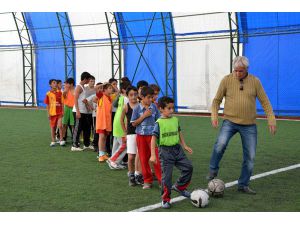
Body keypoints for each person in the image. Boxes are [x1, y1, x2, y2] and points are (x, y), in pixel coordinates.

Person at [207, 56, 277, 195]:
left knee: (250, 157)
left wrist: (271, 119)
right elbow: (216, 101)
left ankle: (243, 185)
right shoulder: (226, 80)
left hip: (249, 125)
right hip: (230, 121)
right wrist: (214, 116)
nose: (237, 73)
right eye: (235, 70)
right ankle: (212, 170)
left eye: (241, 71)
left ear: (247, 69)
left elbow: (265, 102)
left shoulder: (255, 81)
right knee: (220, 144)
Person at [150, 96, 193, 209]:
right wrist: (153, 155)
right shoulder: (158, 123)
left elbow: (179, 133)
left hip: (177, 149)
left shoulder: (175, 120)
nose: (171, 110)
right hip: (165, 152)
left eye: (172, 108)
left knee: (188, 167)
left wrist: (184, 145)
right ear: (161, 109)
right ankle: (165, 199)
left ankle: (180, 186)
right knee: (167, 177)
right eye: (169, 108)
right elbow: (153, 139)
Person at [131, 86, 162, 189]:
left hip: (153, 137)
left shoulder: (154, 107)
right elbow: (134, 124)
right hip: (141, 137)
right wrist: (144, 116)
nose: (150, 99)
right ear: (142, 97)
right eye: (148, 97)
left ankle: (162, 180)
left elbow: (159, 121)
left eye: (152, 97)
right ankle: (147, 181)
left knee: (157, 158)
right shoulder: (136, 108)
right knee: (144, 159)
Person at [120, 86, 143, 186]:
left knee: (141, 155)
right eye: (131, 95)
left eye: (135, 94)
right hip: (131, 134)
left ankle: (139, 175)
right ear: (127, 96)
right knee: (131, 157)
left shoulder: (141, 105)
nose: (133, 97)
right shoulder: (126, 106)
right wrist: (125, 132)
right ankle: (131, 175)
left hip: (141, 133)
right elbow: (121, 120)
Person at [106, 81, 131, 169]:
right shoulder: (127, 99)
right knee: (125, 145)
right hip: (122, 122)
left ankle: (114, 162)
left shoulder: (121, 97)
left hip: (117, 121)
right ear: (124, 90)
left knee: (116, 144)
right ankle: (113, 160)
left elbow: (114, 104)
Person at [71, 72, 92, 151]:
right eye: (89, 79)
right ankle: (74, 145)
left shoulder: (83, 87)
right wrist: (77, 111)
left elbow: (82, 99)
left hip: (84, 111)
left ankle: (86, 144)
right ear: (85, 79)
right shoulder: (78, 87)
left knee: (86, 128)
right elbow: (75, 99)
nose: (89, 81)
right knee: (78, 128)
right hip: (79, 111)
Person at [96, 82, 114, 162]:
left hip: (107, 121)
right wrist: (103, 84)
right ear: (104, 90)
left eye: (111, 88)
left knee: (105, 138)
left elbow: (117, 92)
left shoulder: (110, 97)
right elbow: (96, 88)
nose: (111, 89)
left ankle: (103, 154)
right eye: (109, 88)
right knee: (102, 137)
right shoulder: (101, 95)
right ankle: (100, 154)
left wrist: (112, 85)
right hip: (101, 121)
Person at [44, 79, 65, 147]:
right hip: (52, 113)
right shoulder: (48, 94)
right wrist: (48, 113)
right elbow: (47, 104)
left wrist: (63, 111)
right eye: (53, 83)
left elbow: (62, 103)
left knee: (60, 126)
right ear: (50, 85)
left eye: (56, 83)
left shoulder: (60, 92)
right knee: (53, 127)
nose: (55, 84)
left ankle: (61, 140)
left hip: (59, 113)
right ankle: (53, 141)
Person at [62, 78, 75, 143]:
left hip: (73, 109)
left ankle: (74, 138)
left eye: (67, 83)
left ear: (71, 84)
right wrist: (65, 92)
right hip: (66, 107)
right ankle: (64, 138)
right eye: (66, 83)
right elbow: (64, 97)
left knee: (73, 125)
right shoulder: (65, 90)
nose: (66, 84)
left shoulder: (75, 90)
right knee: (64, 124)